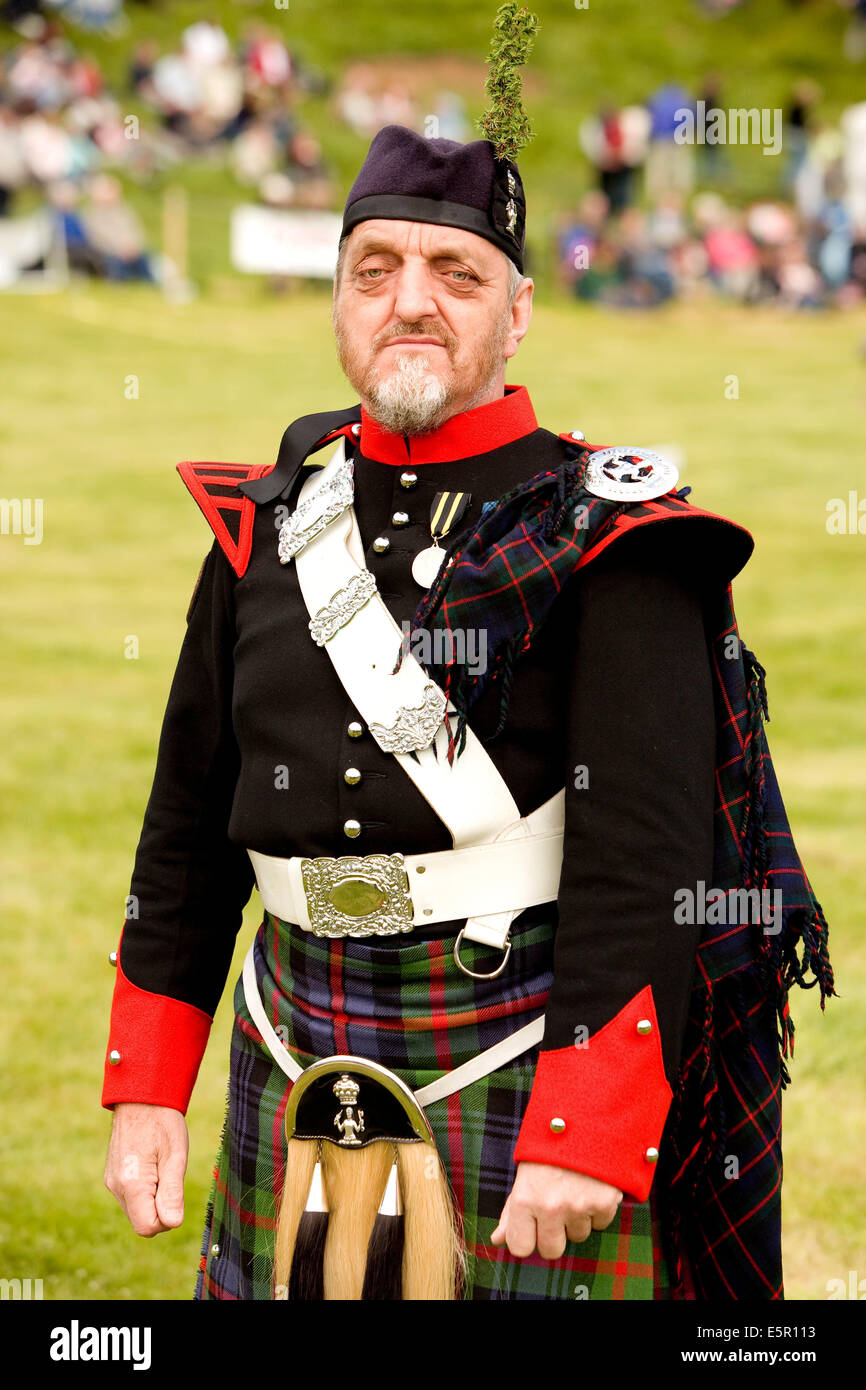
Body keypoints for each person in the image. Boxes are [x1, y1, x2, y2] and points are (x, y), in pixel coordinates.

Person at [102, 8, 832, 1301]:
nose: (410, 303)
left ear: (519, 309)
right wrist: (148, 1084)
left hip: (513, 1044)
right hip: (289, 1028)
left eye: (455, 272)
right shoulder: (265, 522)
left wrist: (589, 1124)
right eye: (374, 267)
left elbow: (647, 863)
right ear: (338, 297)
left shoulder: (614, 536)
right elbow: (183, 832)